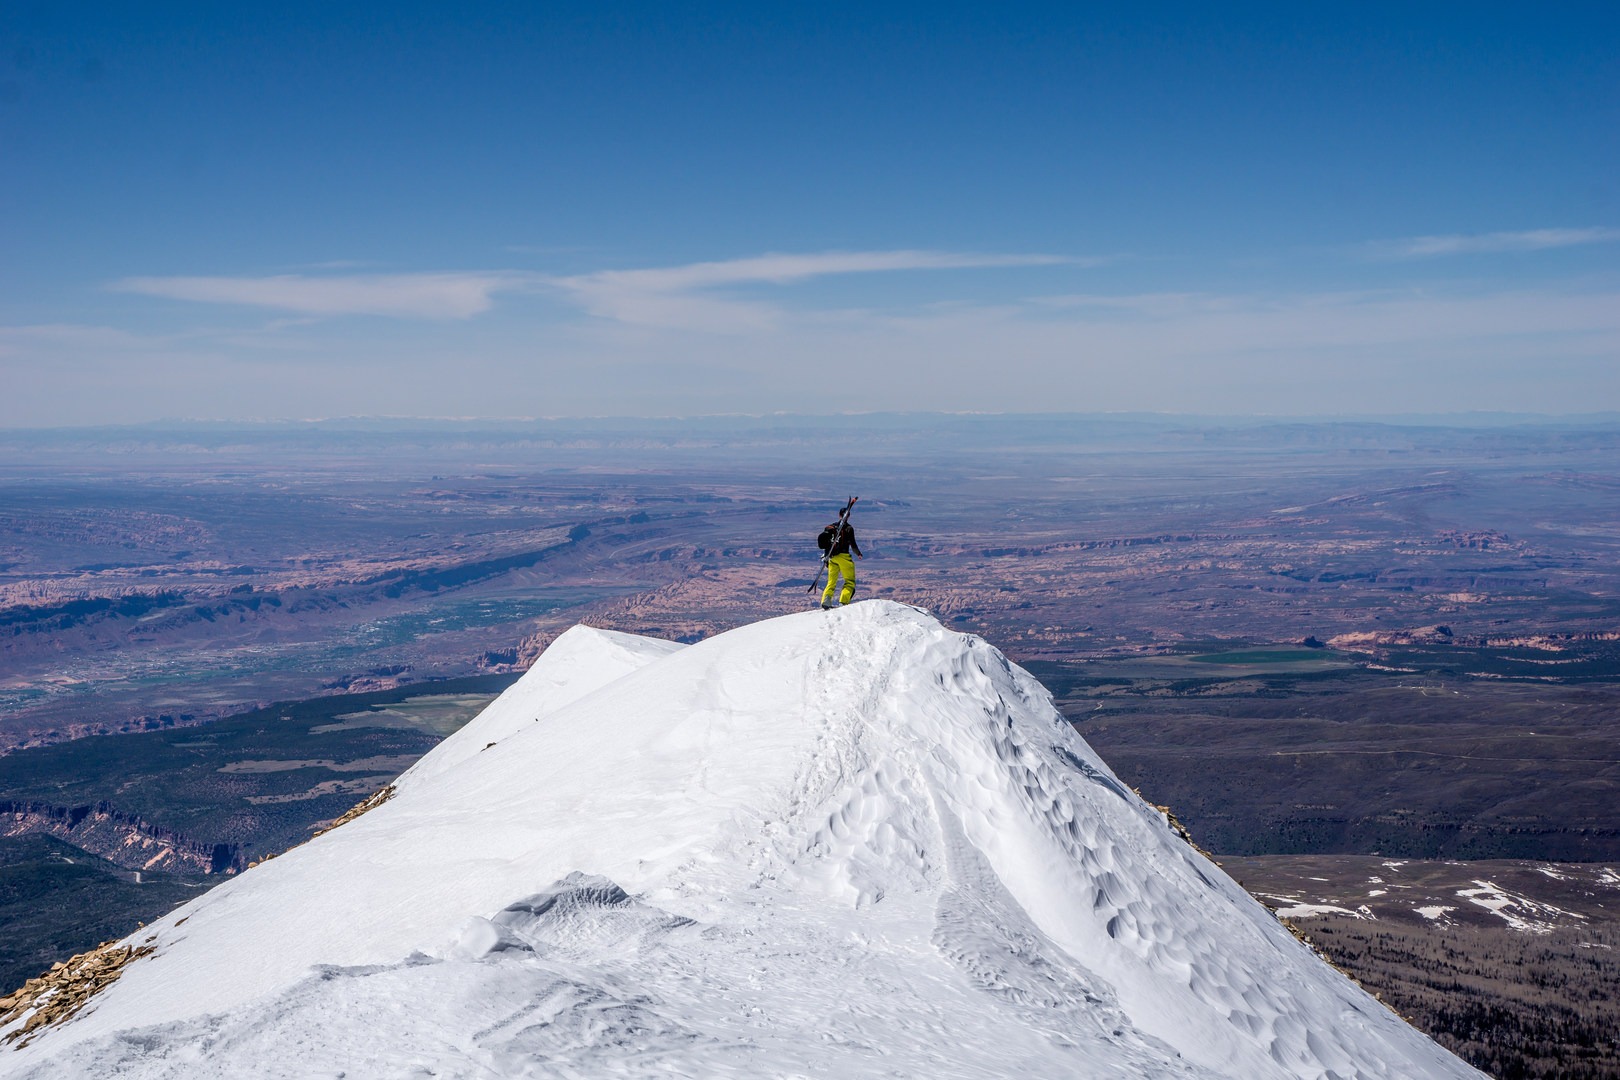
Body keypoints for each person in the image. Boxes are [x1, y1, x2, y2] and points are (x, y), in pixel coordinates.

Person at [819, 516, 863, 609]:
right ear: (849, 516)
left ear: (839, 515)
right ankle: (843, 602)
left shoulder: (832, 527)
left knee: (831, 581)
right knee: (850, 581)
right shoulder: (848, 528)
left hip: (832, 557)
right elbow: (853, 544)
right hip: (843, 557)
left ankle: (826, 601)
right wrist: (858, 553)